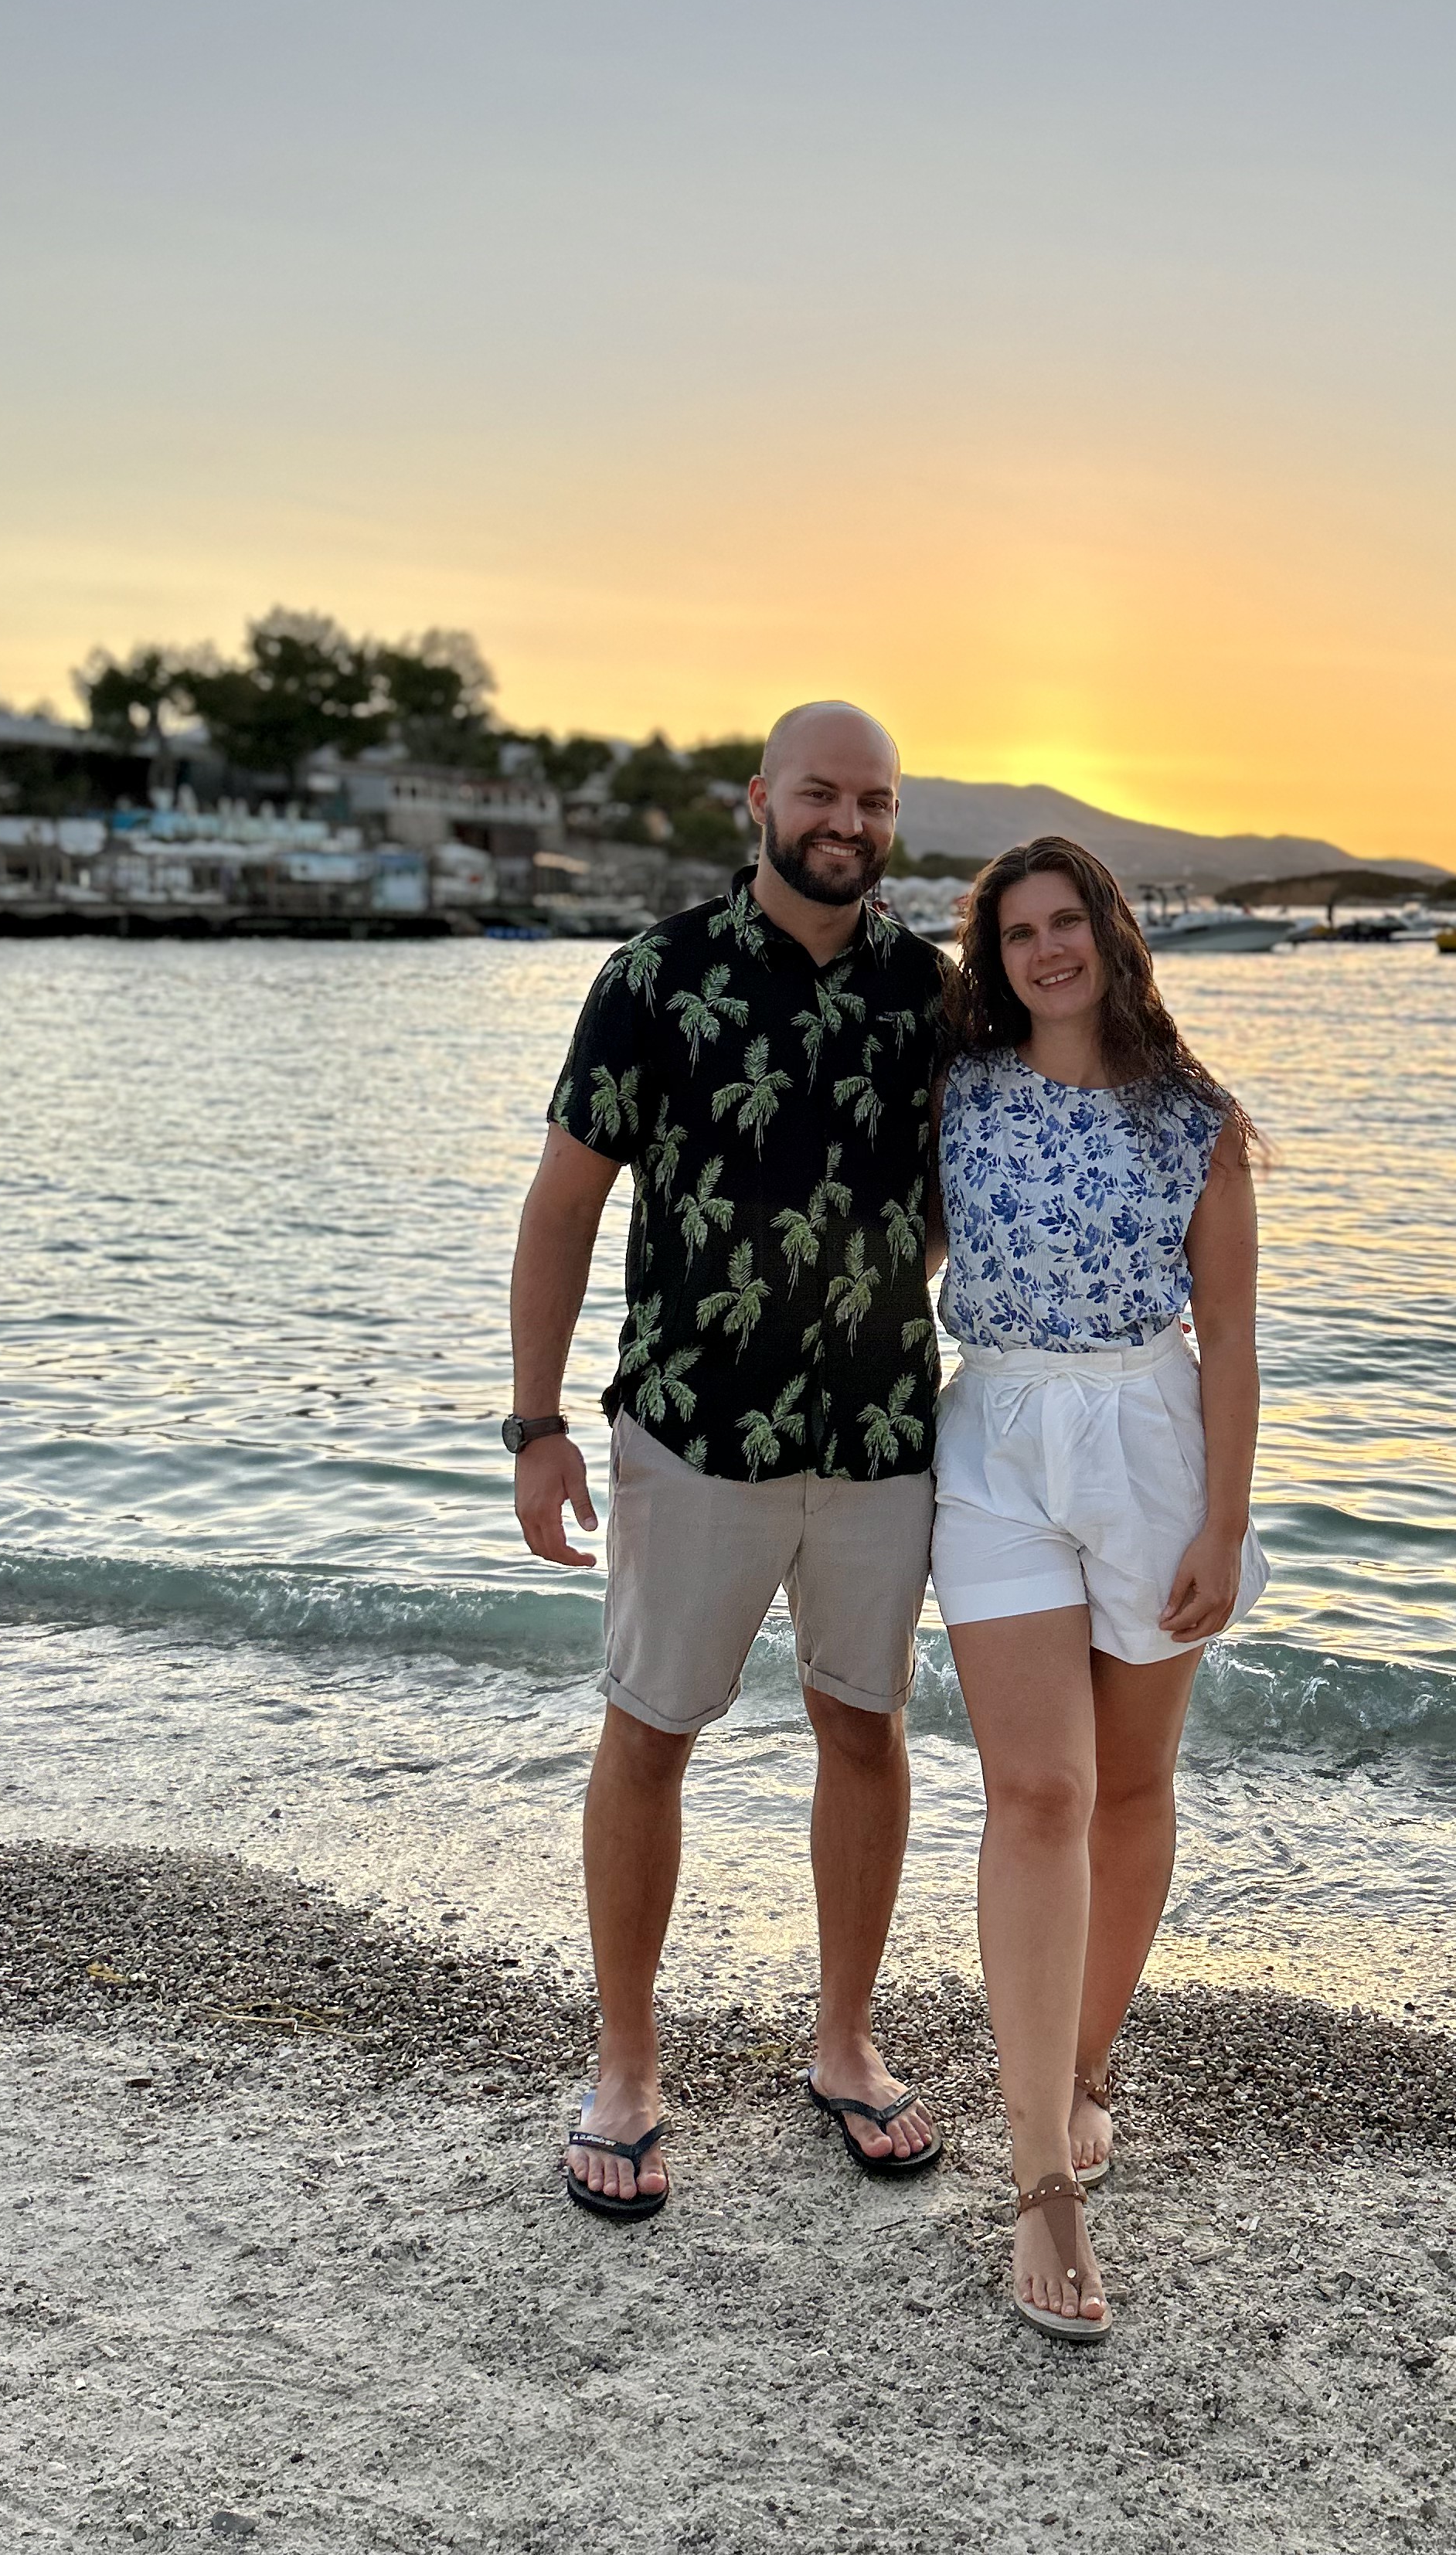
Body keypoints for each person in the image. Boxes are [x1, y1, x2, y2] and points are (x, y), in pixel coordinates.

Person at [507, 701, 951, 2218]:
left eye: (875, 801)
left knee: (866, 1732)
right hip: (690, 1435)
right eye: (822, 793)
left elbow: (960, 1197)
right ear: (762, 799)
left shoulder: (932, 994)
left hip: (886, 1441)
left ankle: (844, 2043)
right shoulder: (655, 979)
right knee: (652, 1730)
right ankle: (625, 2064)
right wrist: (537, 1425)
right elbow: (562, 1209)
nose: (849, 821)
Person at [928, 835, 1269, 2339]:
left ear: (1112, 937)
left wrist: (1224, 1521)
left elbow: (1236, 1340)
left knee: (1131, 1789)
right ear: (994, 959)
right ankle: (1039, 2190)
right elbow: (887, 1258)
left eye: (1070, 923)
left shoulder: (1198, 1121)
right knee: (1041, 1796)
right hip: (993, 1438)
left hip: (1149, 1443)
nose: (1049, 950)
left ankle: (1079, 2073)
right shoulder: (956, 1095)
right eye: (1021, 933)